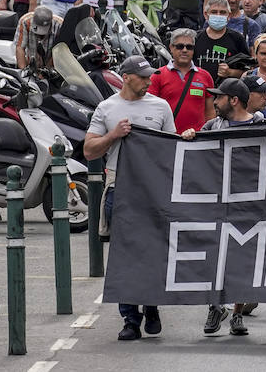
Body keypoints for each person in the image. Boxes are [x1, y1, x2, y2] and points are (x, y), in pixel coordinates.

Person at [83, 55, 178, 341]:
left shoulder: (160, 106)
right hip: (119, 186)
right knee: (123, 253)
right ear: (126, 77)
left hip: (152, 189)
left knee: (151, 250)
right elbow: (89, 151)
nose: (149, 81)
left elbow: (171, 149)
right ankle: (130, 317)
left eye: (150, 76)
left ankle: (150, 304)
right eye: (144, 77)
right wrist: (113, 135)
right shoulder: (107, 108)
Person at [189, 77, 266, 336]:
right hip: (218, 200)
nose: (214, 100)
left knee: (243, 258)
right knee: (214, 254)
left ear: (233, 100)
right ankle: (215, 305)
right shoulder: (213, 125)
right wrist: (191, 135)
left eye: (219, 97)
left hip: (249, 202)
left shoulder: (260, 125)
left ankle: (236, 313)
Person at [147, 28, 215, 134]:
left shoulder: (205, 76)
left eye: (189, 47)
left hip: (198, 139)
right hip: (168, 138)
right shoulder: (158, 76)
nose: (184, 50)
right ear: (171, 48)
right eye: (179, 46)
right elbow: (150, 109)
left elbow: (210, 112)